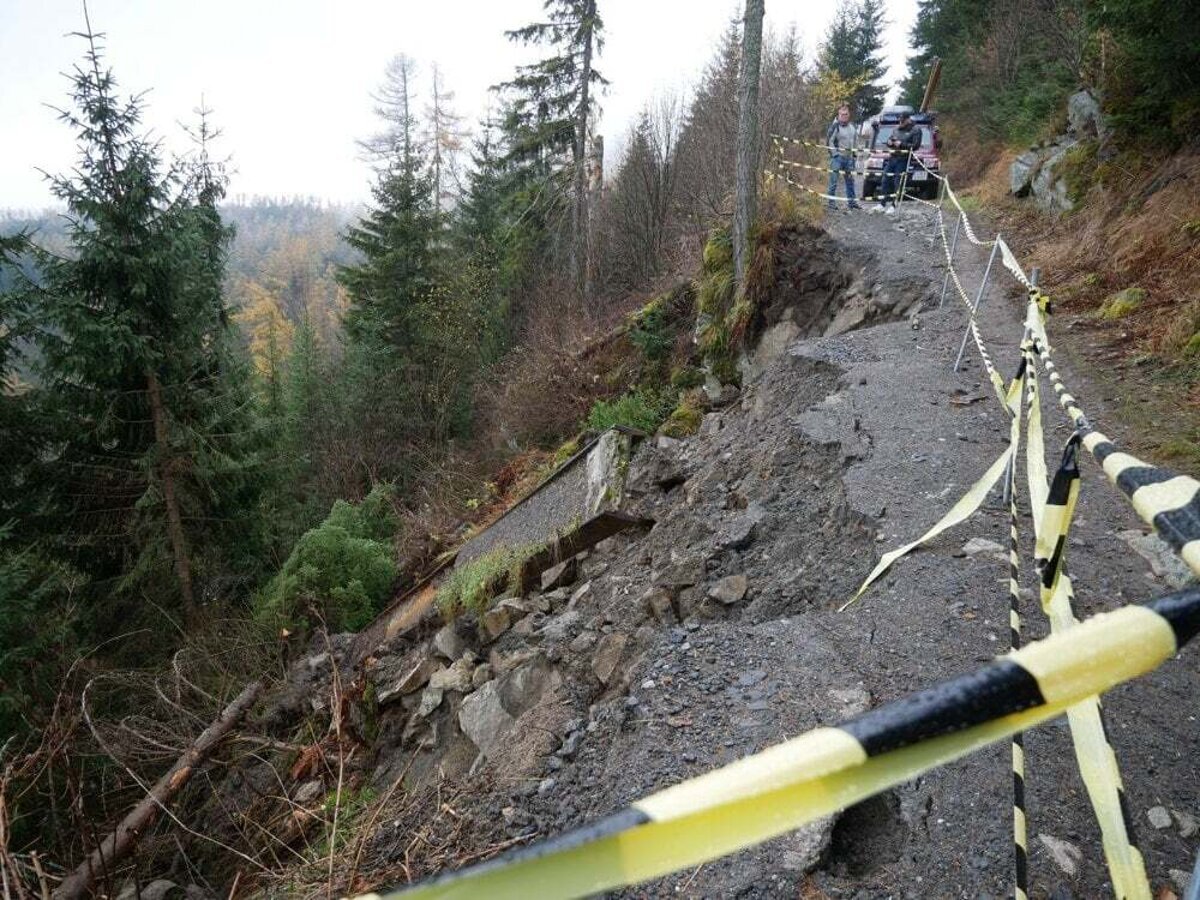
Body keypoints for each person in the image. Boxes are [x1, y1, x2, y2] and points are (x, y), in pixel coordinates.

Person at [877, 113, 922, 215]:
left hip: (903, 159)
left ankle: (894, 205)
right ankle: (882, 204)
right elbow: (890, 139)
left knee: (898, 182)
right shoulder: (896, 129)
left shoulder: (915, 130)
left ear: (908, 120)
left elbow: (915, 146)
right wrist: (889, 142)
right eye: (899, 121)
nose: (900, 123)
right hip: (892, 157)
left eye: (902, 121)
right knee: (885, 180)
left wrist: (901, 144)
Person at [824, 104, 861, 211]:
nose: (844, 116)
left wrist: (855, 154)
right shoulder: (835, 126)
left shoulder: (852, 127)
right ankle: (831, 203)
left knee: (850, 182)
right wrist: (834, 154)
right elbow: (829, 141)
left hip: (849, 159)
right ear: (838, 115)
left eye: (846, 114)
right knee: (833, 182)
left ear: (848, 115)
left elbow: (855, 141)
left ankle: (852, 203)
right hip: (837, 158)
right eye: (842, 114)